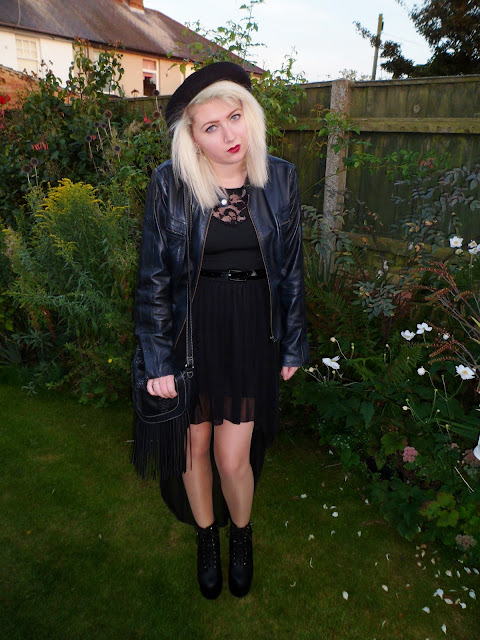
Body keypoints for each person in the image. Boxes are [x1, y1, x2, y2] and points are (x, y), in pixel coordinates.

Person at [133, 62, 309, 600]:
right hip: (191, 329)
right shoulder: (170, 184)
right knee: (194, 447)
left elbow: (291, 269)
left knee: (233, 458)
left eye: (235, 117)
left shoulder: (280, 177)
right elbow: (154, 277)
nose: (229, 135)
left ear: (248, 114)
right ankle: (207, 537)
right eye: (211, 127)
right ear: (192, 137)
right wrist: (157, 360)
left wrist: (294, 341)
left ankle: (242, 535)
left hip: (251, 330)